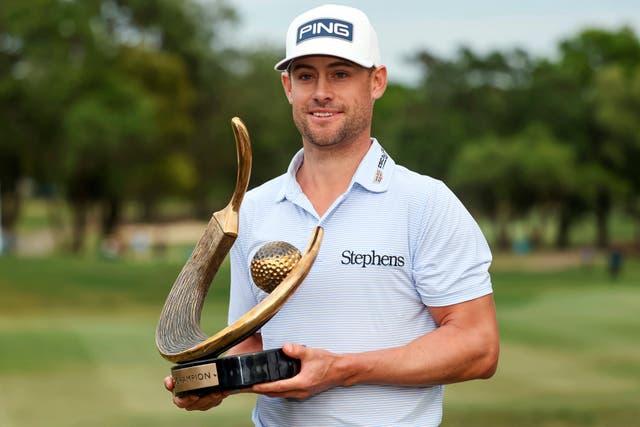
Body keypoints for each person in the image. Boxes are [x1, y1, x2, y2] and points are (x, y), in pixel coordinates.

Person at [164, 4, 499, 426]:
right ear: (287, 86)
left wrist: (342, 370)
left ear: (377, 81)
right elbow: (252, 342)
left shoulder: (425, 203)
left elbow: (478, 346)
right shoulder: (254, 208)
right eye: (306, 76)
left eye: (340, 74)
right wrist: (213, 381)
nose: (321, 92)